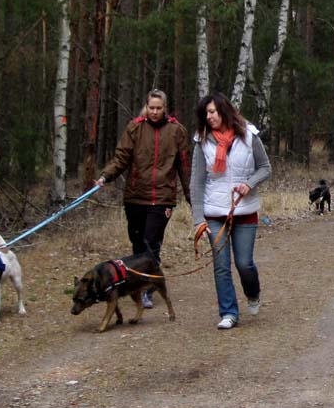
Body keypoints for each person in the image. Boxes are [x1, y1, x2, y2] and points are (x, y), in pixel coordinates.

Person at [96, 89, 191, 309]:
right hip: (135, 197)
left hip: (162, 198)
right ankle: (138, 283)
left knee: (151, 244)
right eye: (151, 108)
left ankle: (147, 289)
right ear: (146, 107)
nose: (155, 112)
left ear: (165, 108)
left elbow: (184, 166)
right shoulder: (135, 128)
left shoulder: (177, 131)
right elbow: (121, 158)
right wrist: (105, 176)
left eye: (159, 108)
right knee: (138, 245)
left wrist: (191, 196)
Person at [190, 92, 271, 330]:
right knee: (221, 265)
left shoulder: (249, 135)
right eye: (206, 113)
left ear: (224, 111)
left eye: (212, 112)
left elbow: (265, 167)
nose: (209, 116)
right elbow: (196, 181)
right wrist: (198, 219)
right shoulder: (201, 140)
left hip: (244, 210)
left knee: (244, 264)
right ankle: (228, 312)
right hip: (214, 213)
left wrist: (250, 183)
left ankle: (253, 293)